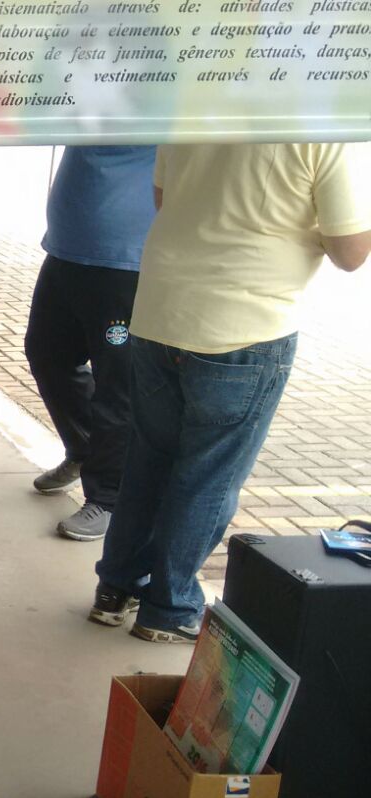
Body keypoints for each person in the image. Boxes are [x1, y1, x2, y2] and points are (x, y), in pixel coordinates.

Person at [91, 143, 370, 643]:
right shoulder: (320, 132)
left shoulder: (197, 109)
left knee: (149, 461)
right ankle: (169, 609)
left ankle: (115, 589)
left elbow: (165, 198)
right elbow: (350, 253)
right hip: (244, 327)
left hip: (161, 311)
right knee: (208, 476)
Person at [24, 146, 157, 541]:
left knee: (118, 386)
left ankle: (110, 498)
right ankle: (84, 451)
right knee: (47, 354)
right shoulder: (88, 104)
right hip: (68, 249)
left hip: (124, 261)